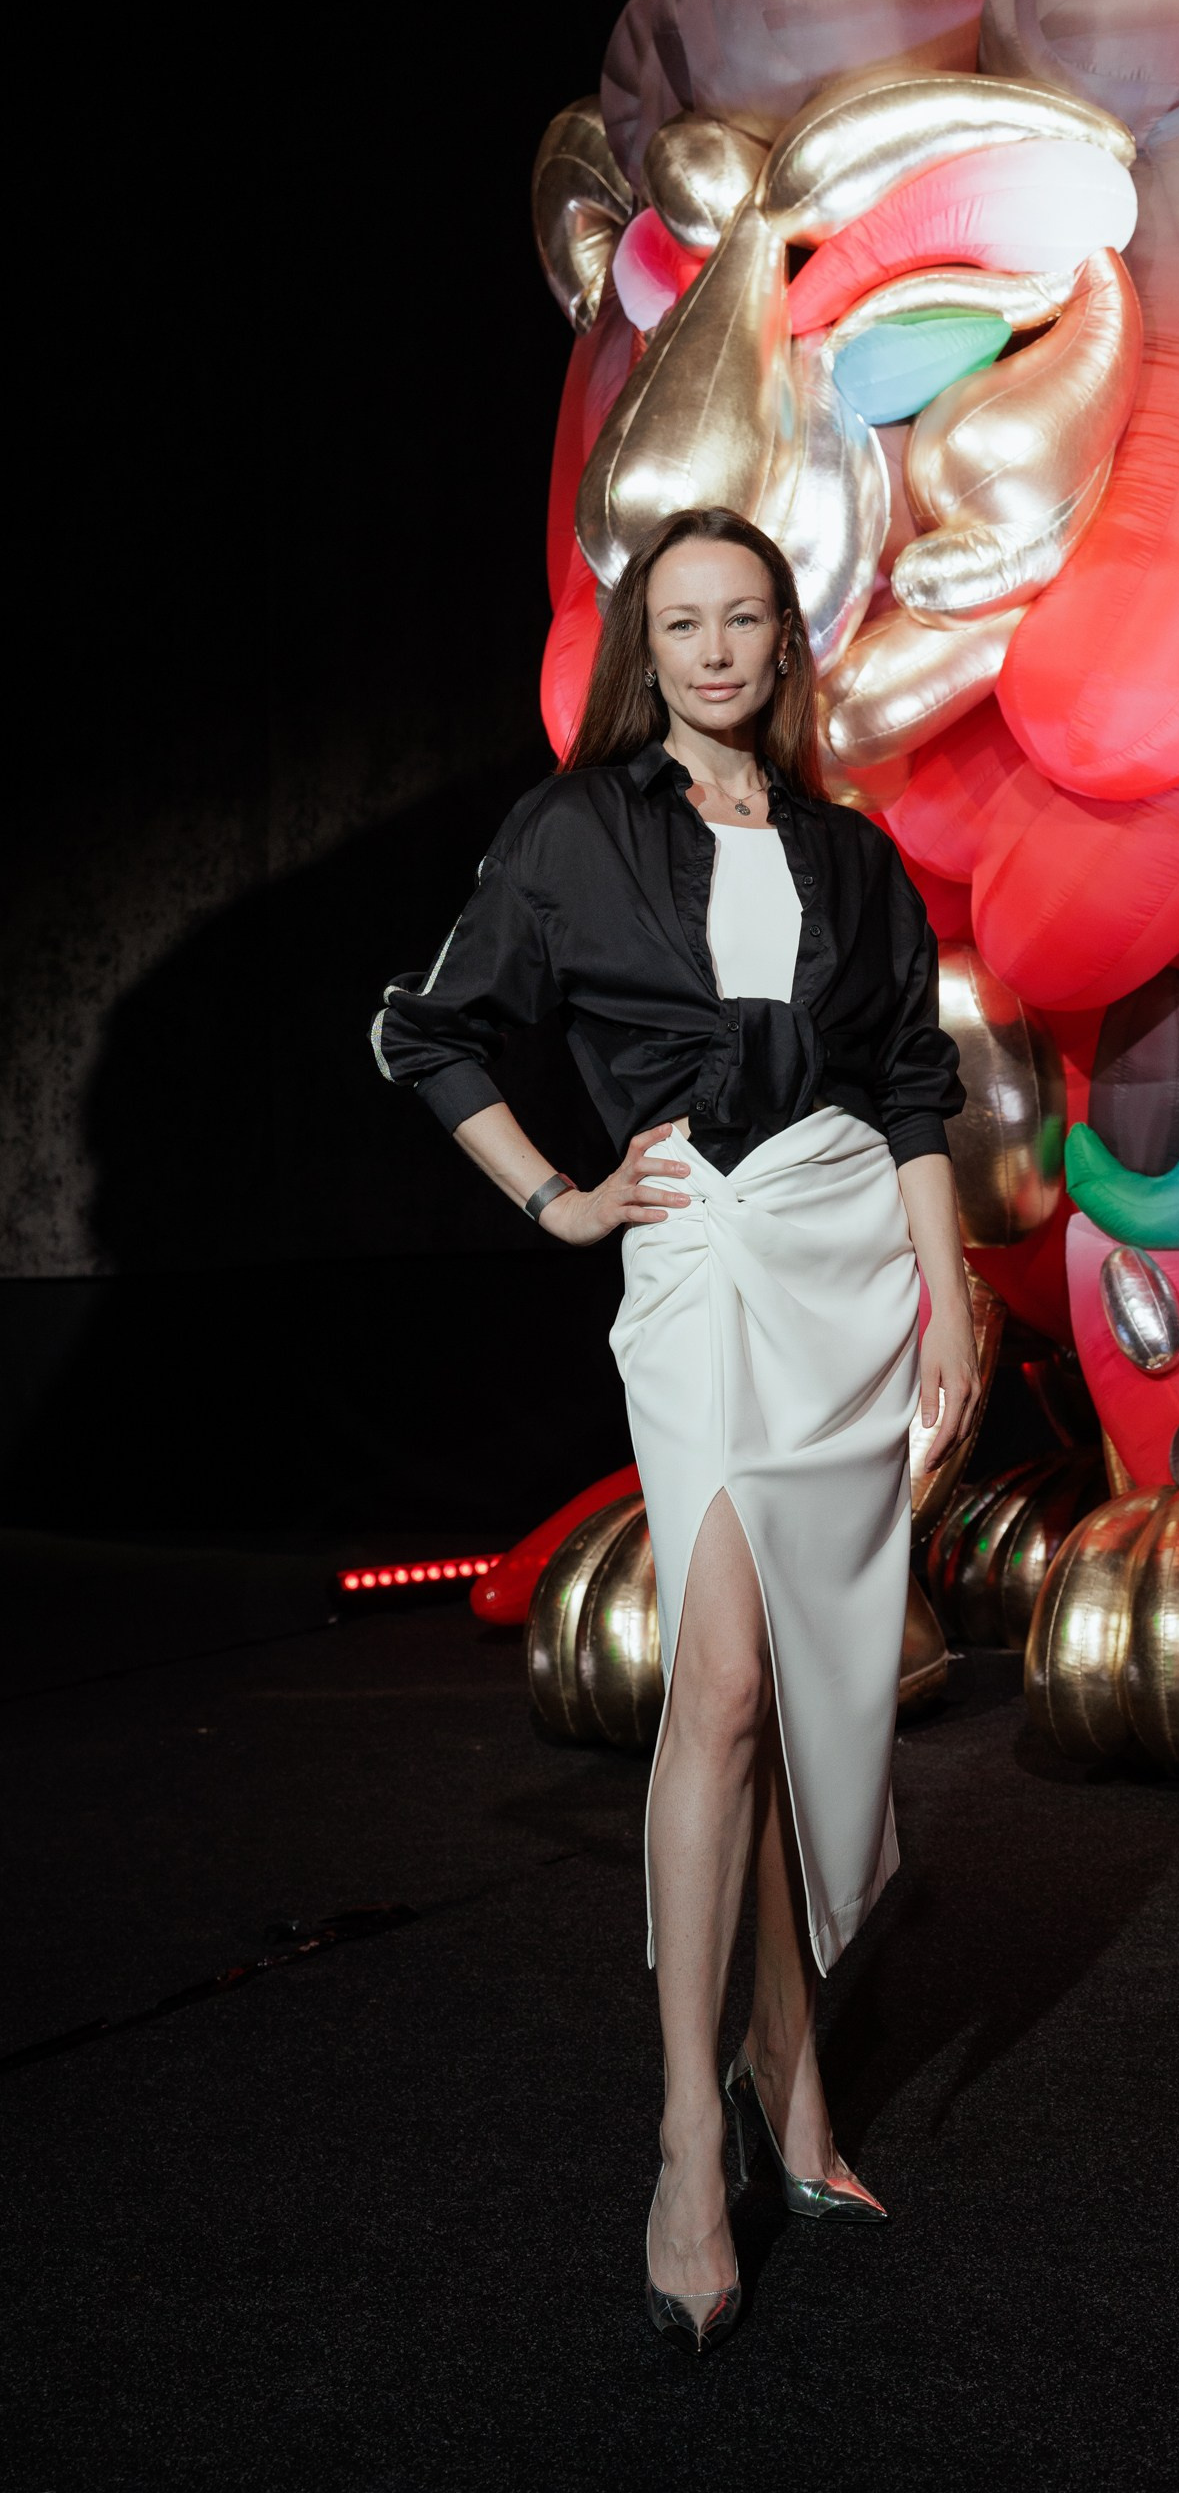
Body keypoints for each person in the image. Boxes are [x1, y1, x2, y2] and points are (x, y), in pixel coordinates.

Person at [371, 505, 980, 2352]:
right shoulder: (575, 828)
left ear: (791, 641)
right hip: (704, 1263)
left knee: (785, 1688)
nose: (716, 650)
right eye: (684, 621)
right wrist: (561, 1200)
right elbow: (431, 1034)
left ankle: (791, 2083)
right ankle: (686, 2143)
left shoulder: (856, 855)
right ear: (650, 647)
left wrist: (950, 1299)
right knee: (717, 1690)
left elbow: (914, 1087)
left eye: (747, 619)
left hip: (850, 1264)